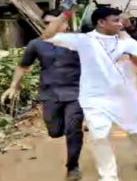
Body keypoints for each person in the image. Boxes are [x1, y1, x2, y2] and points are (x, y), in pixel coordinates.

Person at [42, 6, 137, 181]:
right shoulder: (84, 40)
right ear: (101, 22)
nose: (120, 23)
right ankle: (108, 176)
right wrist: (66, 13)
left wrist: (129, 54)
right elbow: (48, 36)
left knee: (136, 131)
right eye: (115, 20)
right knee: (99, 136)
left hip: (125, 97)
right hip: (95, 98)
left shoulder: (127, 41)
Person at [1, 10, 84, 181]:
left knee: (73, 129)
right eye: (46, 23)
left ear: (65, 23)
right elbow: (23, 66)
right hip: (50, 93)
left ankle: (73, 166)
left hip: (76, 92)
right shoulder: (36, 44)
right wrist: (13, 86)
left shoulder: (78, 42)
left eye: (55, 21)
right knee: (54, 131)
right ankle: (65, 129)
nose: (50, 26)